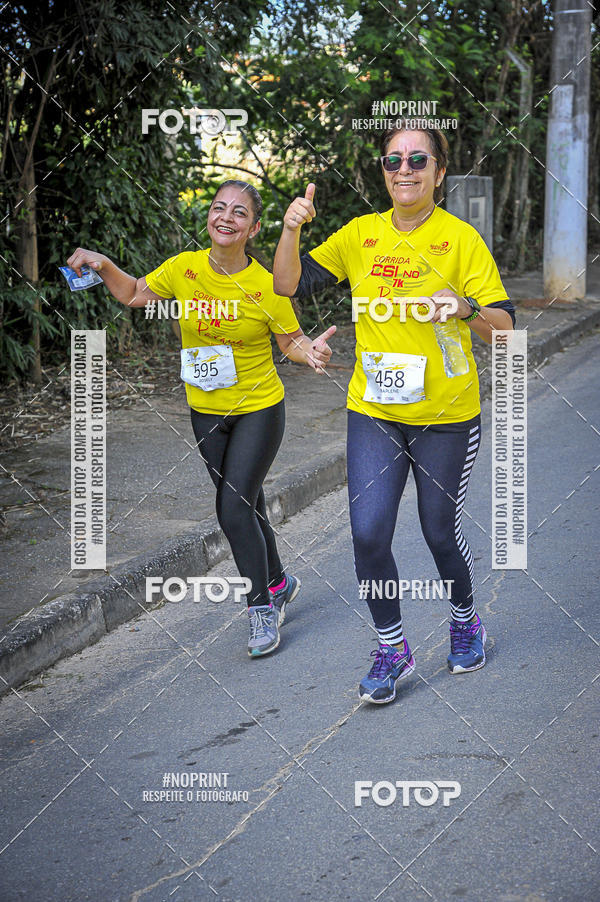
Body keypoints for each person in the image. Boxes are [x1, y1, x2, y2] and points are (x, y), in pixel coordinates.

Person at [273, 125, 515, 703]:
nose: (403, 169)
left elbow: (505, 331)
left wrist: (467, 305)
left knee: (438, 531)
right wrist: (289, 227)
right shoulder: (361, 234)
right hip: (374, 409)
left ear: (438, 172)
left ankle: (464, 619)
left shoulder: (460, 240)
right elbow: (287, 283)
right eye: (392, 160)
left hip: (447, 414)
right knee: (368, 532)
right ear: (383, 171)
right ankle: (392, 646)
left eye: (417, 159)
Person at [67, 179, 336, 658]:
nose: (225, 218)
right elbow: (133, 294)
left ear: (253, 228)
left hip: (258, 408)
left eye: (238, 213)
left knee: (232, 507)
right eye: (218, 208)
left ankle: (260, 609)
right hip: (205, 411)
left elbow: (291, 343)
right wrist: (104, 263)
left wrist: (309, 351)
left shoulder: (267, 283)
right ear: (208, 218)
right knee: (246, 502)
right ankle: (278, 582)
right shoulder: (183, 269)